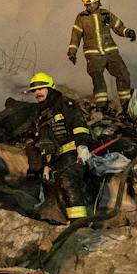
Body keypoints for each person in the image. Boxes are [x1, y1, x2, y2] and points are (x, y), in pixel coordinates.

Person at [23, 73, 91, 222]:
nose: (37, 93)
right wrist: (46, 165)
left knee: (68, 181)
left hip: (73, 154)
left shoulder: (65, 104)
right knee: (58, 191)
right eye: (34, 90)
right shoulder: (40, 113)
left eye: (41, 89)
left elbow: (79, 125)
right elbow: (43, 141)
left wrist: (82, 146)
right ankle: (71, 223)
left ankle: (80, 225)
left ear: (50, 89)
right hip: (55, 160)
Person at [67, 0, 136, 114]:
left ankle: (127, 106)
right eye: (88, 5)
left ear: (99, 2)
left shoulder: (106, 14)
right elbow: (75, 36)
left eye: (93, 3)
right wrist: (72, 52)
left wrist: (128, 32)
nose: (91, 6)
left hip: (111, 52)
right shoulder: (81, 18)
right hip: (93, 55)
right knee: (98, 78)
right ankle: (102, 107)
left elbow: (118, 27)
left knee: (124, 75)